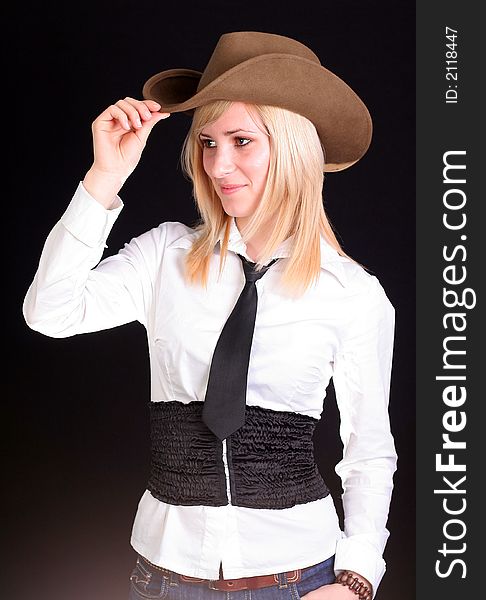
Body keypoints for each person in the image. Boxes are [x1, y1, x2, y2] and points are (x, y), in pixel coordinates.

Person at [23, 31, 397, 600]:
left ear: (293, 148)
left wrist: (356, 579)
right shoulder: (164, 256)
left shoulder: (351, 293)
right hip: (163, 580)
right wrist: (104, 179)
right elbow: (49, 313)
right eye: (207, 142)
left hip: (298, 580)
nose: (219, 164)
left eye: (242, 141)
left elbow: (368, 450)